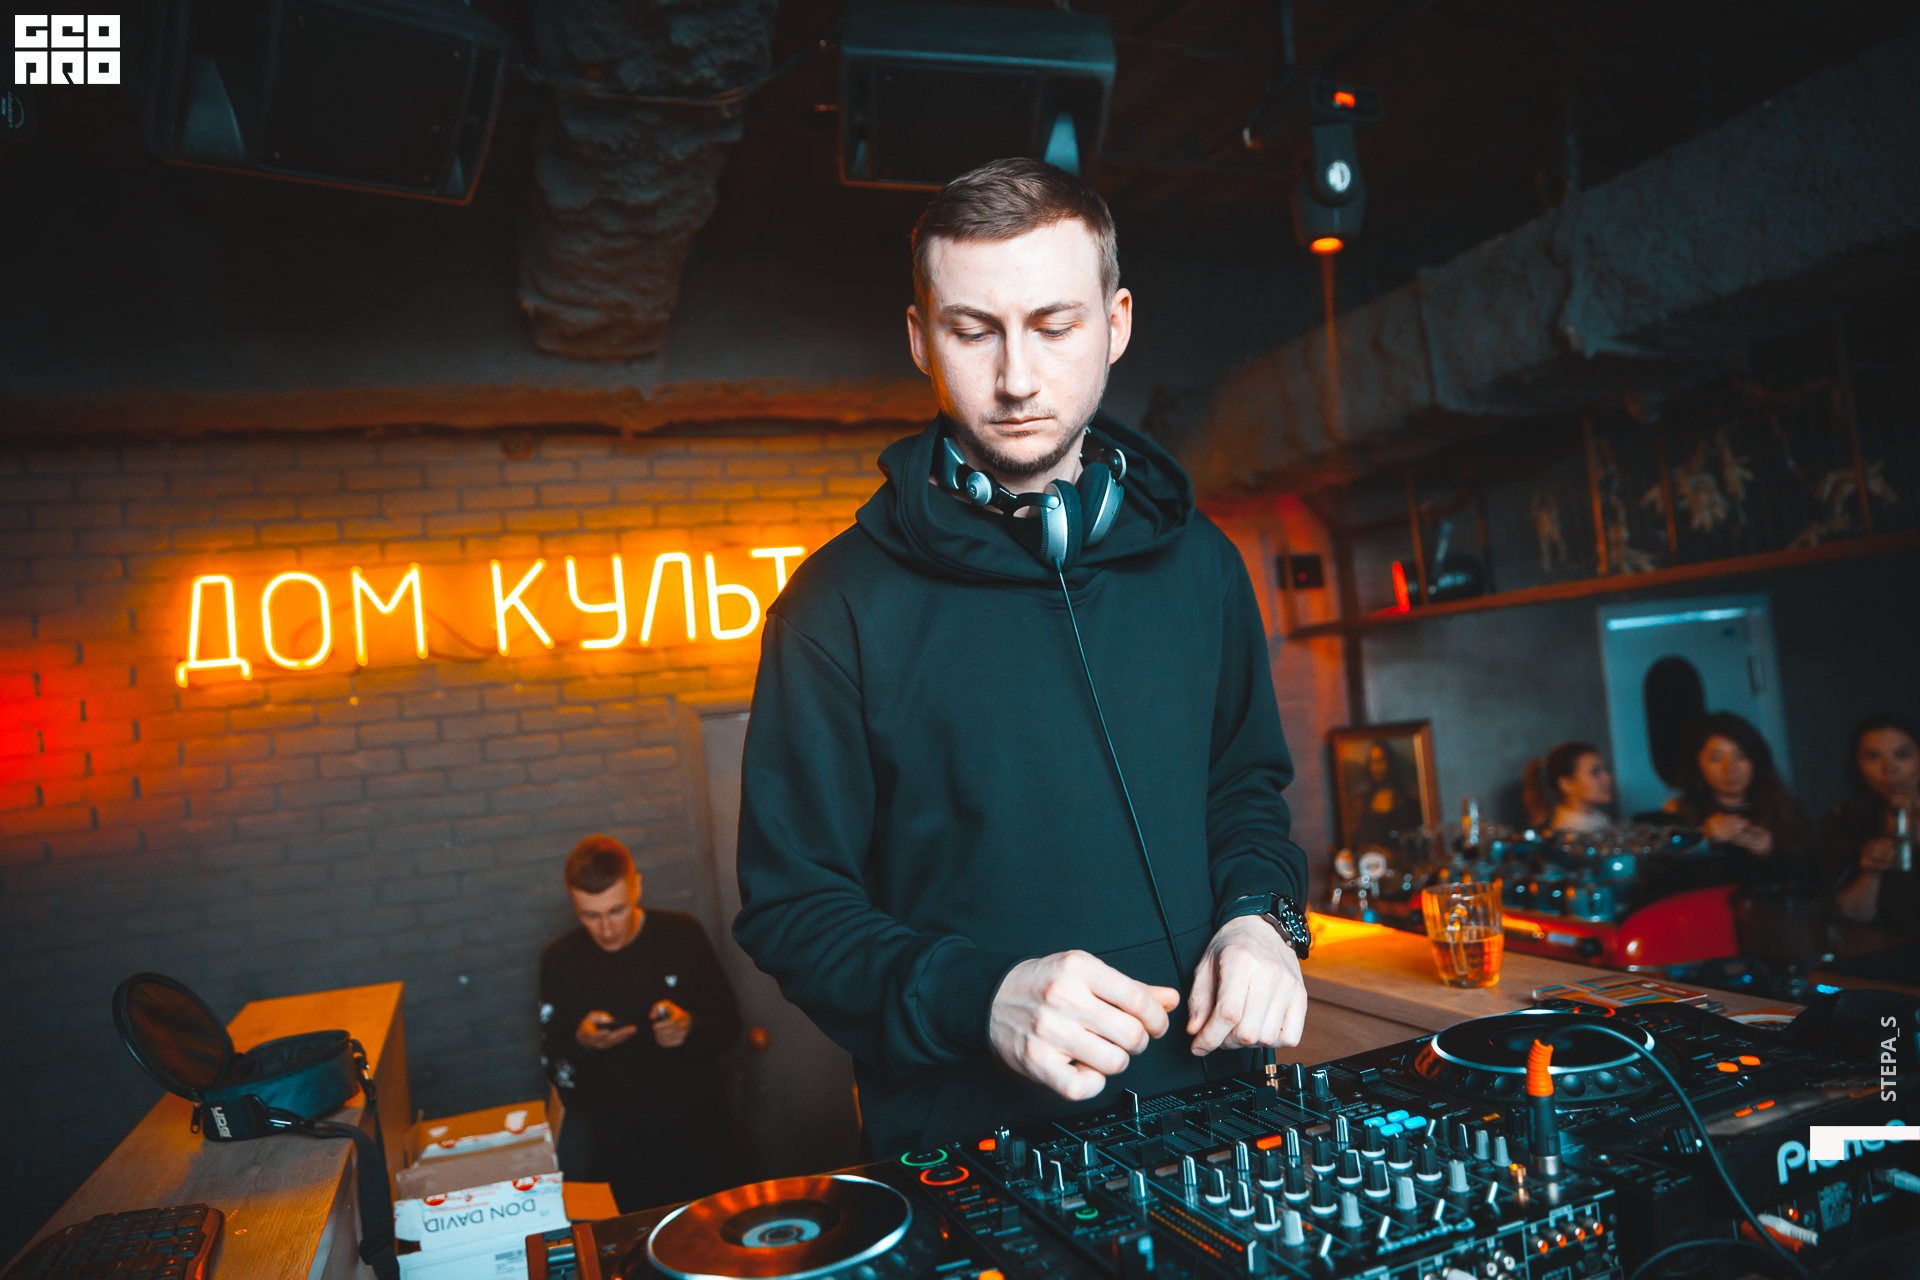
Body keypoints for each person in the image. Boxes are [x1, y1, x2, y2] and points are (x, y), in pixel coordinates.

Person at [732, 159, 1311, 1157]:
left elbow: (1244, 791)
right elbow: (794, 909)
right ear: (920, 339)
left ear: (1116, 323)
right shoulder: (832, 609)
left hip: (1220, 1130)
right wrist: (979, 996)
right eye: (973, 331)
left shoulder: (1204, 566)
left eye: (1054, 325)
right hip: (979, 1159)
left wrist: (1263, 919)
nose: (1016, 380)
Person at [539, 835, 743, 1211]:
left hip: (702, 1143)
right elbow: (557, 1073)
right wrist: (583, 1044)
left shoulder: (682, 935)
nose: (606, 929)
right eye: (590, 915)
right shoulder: (559, 961)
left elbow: (730, 1027)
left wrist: (689, 1028)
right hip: (619, 1158)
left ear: (637, 886)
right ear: (573, 902)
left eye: (616, 910)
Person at [1665, 711, 1812, 884]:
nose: (1729, 767)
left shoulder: (1785, 808)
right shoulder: (1680, 812)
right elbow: (1665, 878)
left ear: (1755, 759)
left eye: (1741, 756)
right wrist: (1705, 838)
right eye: (1716, 758)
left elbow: (1812, 881)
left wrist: (1771, 851)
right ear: (1698, 764)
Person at [1820, 712, 1919, 944]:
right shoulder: (1842, 820)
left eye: (1902, 755)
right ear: (1858, 765)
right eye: (1874, 757)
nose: (1890, 769)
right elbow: (1851, 916)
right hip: (1884, 954)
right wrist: (1871, 873)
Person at [1348, 740, 1425, 852]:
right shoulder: (1360, 802)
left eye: (1381, 761)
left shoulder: (1407, 803)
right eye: (1372, 762)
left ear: (1390, 763)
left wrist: (1391, 855)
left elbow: (1413, 843)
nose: (1376, 768)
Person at [1523, 742, 1615, 834]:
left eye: (1604, 769)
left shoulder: (1594, 819)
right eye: (1595, 772)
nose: (1607, 778)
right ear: (1566, 784)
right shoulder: (1571, 833)